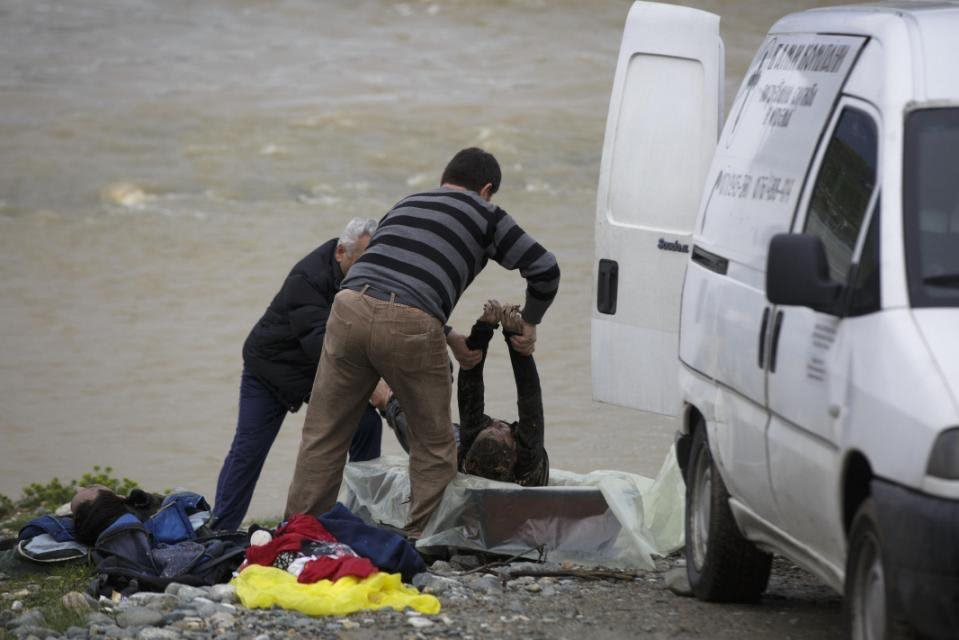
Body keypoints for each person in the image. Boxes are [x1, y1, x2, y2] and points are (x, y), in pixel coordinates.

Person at [284, 147, 560, 535]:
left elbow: (392, 278)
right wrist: (530, 322)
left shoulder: (406, 202)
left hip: (347, 307)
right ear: (486, 190)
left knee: (323, 436)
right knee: (434, 446)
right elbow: (545, 268)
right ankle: (420, 542)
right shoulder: (487, 214)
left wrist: (449, 337)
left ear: (445, 178)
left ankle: (295, 537)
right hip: (412, 320)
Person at [212, 217, 383, 532]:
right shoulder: (309, 276)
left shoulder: (368, 274)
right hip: (270, 369)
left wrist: (446, 333)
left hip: (315, 370)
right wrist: (369, 384)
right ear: (341, 252)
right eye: (361, 259)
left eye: (372, 260)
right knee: (249, 450)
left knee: (367, 425)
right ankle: (220, 529)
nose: (367, 268)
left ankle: (360, 519)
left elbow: (399, 311)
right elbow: (320, 343)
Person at [379, 300, 548, 486]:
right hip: (497, 458)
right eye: (499, 429)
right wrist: (512, 336)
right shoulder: (528, 458)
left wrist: (482, 331)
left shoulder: (466, 451)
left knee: (419, 430)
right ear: (515, 450)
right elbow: (529, 396)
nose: (497, 423)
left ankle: (386, 398)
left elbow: (470, 391)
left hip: (461, 453)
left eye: (491, 428)